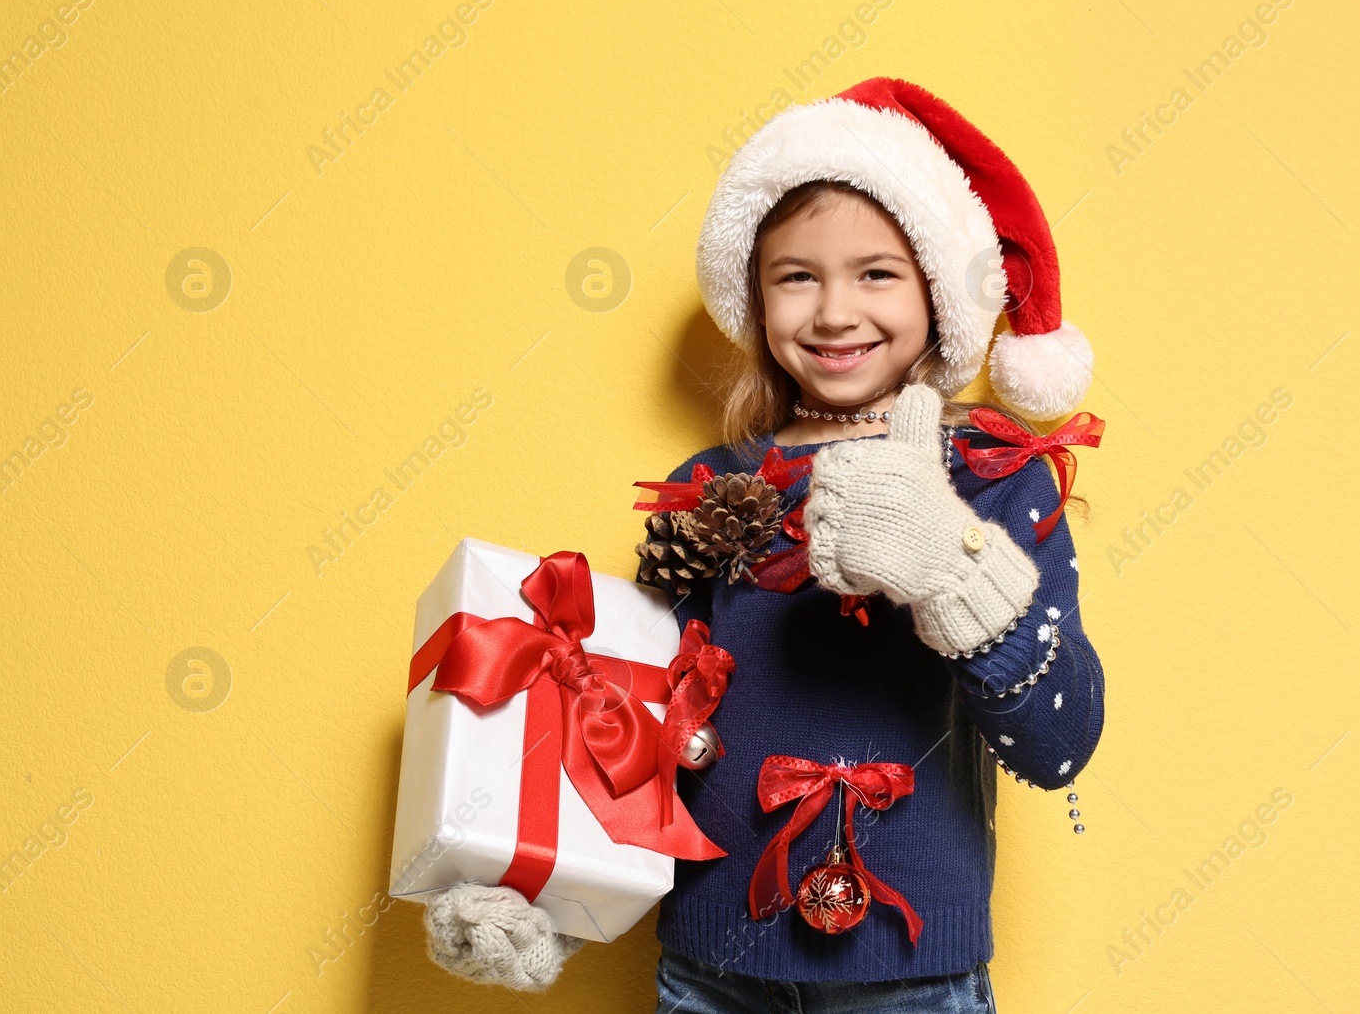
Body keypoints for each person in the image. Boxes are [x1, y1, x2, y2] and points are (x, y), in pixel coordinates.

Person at [424, 78, 1106, 1014]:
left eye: (876, 273)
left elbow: (1061, 742)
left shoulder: (991, 478)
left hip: (913, 977)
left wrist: (954, 562)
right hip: (710, 971)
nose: (833, 312)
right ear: (754, 291)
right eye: (797, 275)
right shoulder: (711, 486)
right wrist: (530, 877)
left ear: (942, 292)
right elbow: (626, 720)